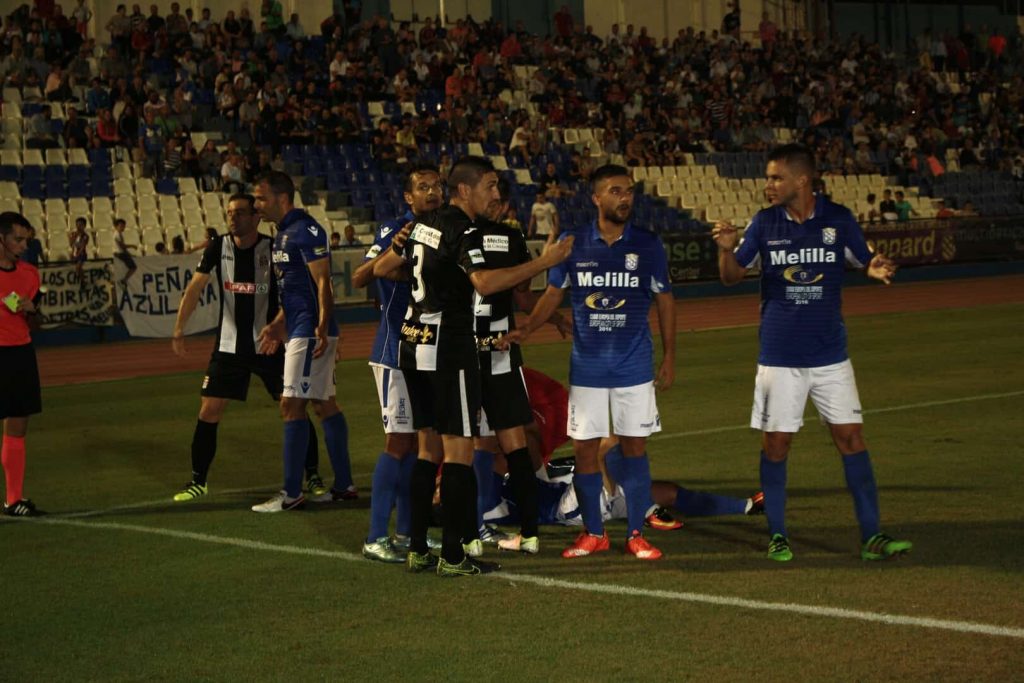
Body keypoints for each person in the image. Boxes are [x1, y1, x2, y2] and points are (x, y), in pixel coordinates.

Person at [371, 156, 573, 576]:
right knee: (459, 454)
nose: (495, 194)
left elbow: (381, 268)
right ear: (465, 190)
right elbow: (484, 283)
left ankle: (417, 548)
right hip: (449, 348)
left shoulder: (425, 223)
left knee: (427, 450)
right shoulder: (463, 229)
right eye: (489, 186)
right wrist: (543, 262)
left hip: (413, 343)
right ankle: (454, 554)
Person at [711, 143, 912, 562]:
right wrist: (726, 247)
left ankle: (872, 535)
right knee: (776, 445)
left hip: (830, 357)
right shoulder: (765, 223)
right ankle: (778, 533)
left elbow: (865, 258)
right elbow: (730, 277)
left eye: (775, 177)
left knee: (851, 438)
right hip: (779, 357)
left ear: (801, 180)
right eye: (768, 178)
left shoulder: (837, 220)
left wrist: (874, 267)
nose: (768, 185)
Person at [511, 164, 676, 561]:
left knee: (634, 450)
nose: (625, 198)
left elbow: (665, 300)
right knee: (585, 452)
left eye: (630, 191)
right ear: (597, 198)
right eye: (616, 191)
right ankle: (594, 533)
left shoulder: (648, 245)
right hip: (587, 370)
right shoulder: (573, 243)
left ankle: (636, 533)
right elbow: (553, 294)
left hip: (634, 368)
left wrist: (670, 355)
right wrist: (529, 328)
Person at [170, 194, 325, 504]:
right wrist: (178, 328)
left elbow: (294, 292)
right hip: (228, 347)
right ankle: (198, 481)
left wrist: (283, 328)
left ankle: (313, 475)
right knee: (208, 411)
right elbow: (195, 287)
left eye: (240, 212)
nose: (233, 218)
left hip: (268, 345)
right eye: (229, 213)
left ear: (256, 217)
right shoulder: (218, 247)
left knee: (293, 408)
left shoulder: (274, 248)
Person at [471, 178, 572, 556]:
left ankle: (526, 531)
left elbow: (522, 295)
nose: (498, 204)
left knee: (511, 438)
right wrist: (544, 261)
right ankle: (478, 518)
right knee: (470, 440)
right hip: (463, 352)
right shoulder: (455, 232)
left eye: (503, 200)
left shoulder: (511, 239)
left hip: (500, 351)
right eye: (492, 197)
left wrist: (553, 318)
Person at [351, 162, 444, 563]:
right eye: (423, 187)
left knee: (419, 446)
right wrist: (396, 255)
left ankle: (407, 533)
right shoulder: (396, 229)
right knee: (399, 442)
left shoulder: (443, 230)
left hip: (428, 352)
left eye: (437, 186)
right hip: (395, 352)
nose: (431, 193)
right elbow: (359, 277)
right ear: (409, 197)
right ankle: (375, 536)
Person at [253, 172, 356, 512]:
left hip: (309, 331)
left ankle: (291, 493)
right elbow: (295, 293)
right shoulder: (283, 235)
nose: (257, 205)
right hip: (299, 326)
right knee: (324, 403)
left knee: (290, 405)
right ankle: (344, 486)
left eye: (261, 198)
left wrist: (322, 327)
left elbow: (323, 282)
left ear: (282, 198)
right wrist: (276, 325)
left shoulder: (306, 230)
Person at [0, 212, 45, 516]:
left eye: (25, 240)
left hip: (20, 353)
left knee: (17, 425)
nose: (22, 245)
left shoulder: (30, 274)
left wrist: (31, 311)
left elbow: (38, 323)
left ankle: (13, 500)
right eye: (17, 239)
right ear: (0, 238)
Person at [112, 218, 137, 286]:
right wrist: (132, 246)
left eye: (123, 226)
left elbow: (123, 248)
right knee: (133, 267)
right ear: (116, 226)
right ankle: (124, 280)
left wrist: (130, 254)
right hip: (119, 253)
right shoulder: (116, 235)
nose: (123, 227)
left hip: (121, 252)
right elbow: (123, 246)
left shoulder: (119, 234)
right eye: (121, 226)